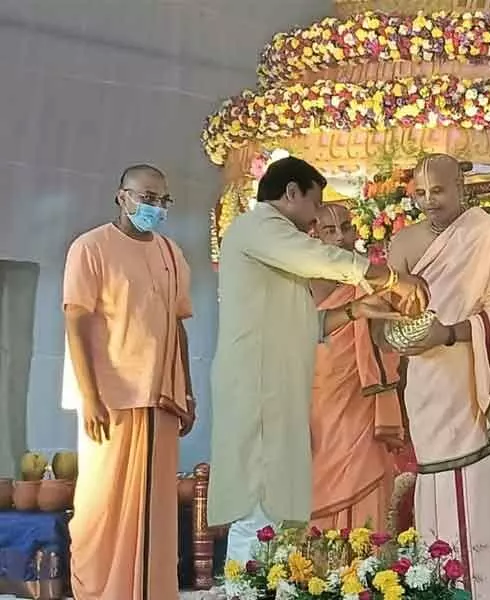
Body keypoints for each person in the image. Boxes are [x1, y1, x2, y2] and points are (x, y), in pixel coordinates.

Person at [209, 156, 427, 563]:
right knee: (257, 512)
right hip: (258, 386)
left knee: (280, 508)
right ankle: (245, 591)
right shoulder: (260, 228)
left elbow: (304, 324)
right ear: (291, 192)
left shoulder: (270, 240)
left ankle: (270, 586)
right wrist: (394, 278)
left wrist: (357, 311)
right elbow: (322, 259)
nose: (314, 220)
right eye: (314, 205)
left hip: (279, 386)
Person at [386, 154, 490, 600]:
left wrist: (453, 333)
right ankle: (436, 586)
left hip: (480, 380)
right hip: (428, 382)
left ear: (460, 186)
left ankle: (483, 588)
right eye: (419, 193)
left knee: (481, 493)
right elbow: (386, 316)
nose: (428, 201)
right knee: (436, 485)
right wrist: (399, 333)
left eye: (437, 190)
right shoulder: (402, 243)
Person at [64, 164, 195, 600]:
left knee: (154, 515)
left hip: (161, 398)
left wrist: (187, 389)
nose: (154, 207)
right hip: (111, 400)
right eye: (146, 197)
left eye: (162, 200)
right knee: (100, 511)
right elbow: (76, 321)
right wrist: (90, 396)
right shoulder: (91, 248)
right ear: (122, 196)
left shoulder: (171, 253)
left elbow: (178, 326)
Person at [309, 203, 405, 531]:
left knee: (366, 477)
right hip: (317, 403)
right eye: (329, 230)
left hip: (362, 401)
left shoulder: (369, 282)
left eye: (347, 228)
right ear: (312, 235)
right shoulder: (298, 284)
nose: (341, 238)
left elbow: (390, 342)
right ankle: (316, 578)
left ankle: (365, 573)